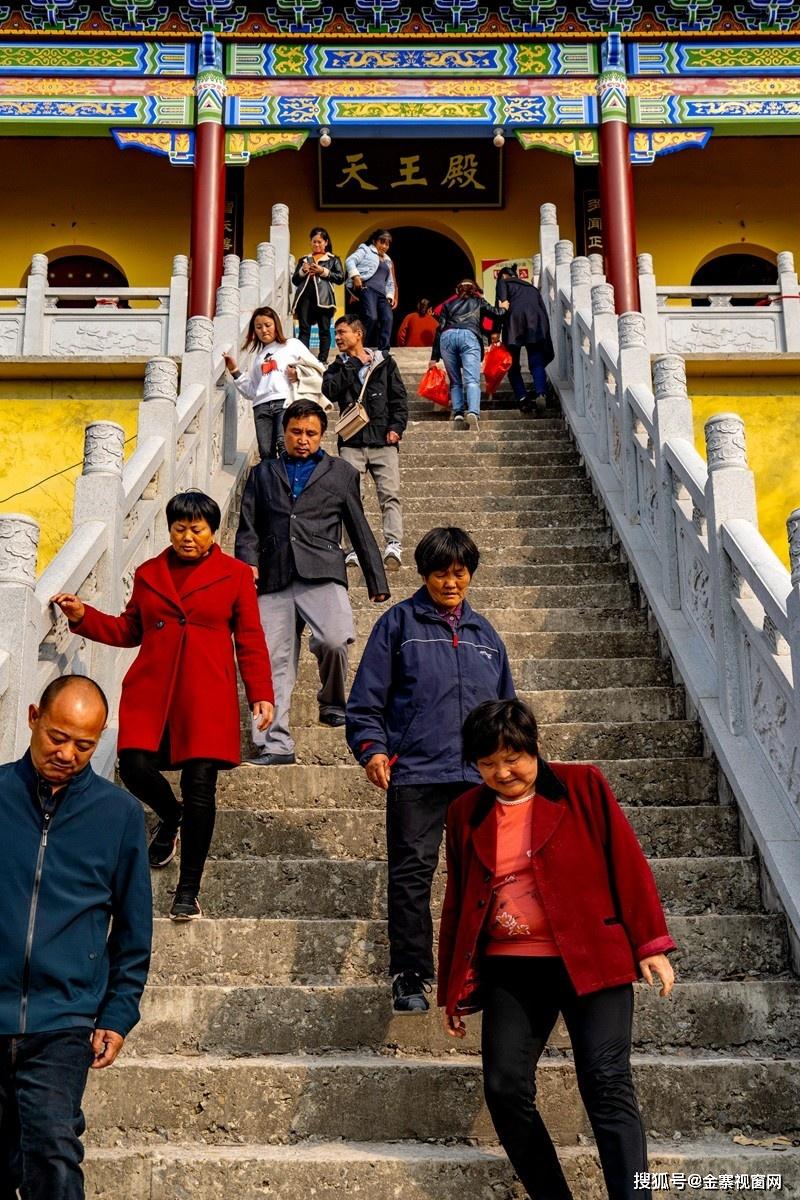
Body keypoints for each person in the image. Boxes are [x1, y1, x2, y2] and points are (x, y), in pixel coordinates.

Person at [440, 698, 677, 1200]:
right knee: (505, 1090)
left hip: (592, 957)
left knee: (607, 1084)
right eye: (487, 764)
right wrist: (453, 985)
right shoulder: (465, 812)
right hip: (512, 970)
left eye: (512, 758)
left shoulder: (583, 785)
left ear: (535, 748)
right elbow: (458, 899)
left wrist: (649, 942)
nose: (502, 772)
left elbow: (627, 863)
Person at [52, 491, 274, 922]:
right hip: (152, 692)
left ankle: (188, 890)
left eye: (197, 529)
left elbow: (249, 638)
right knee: (133, 765)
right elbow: (129, 629)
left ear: (212, 532)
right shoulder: (150, 572)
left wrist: (260, 692)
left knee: (201, 787)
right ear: (169, 528)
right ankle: (171, 817)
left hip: (206, 695)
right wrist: (83, 615)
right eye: (179, 528)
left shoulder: (234, 575)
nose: (187, 537)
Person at [345, 527, 515, 1014]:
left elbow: (509, 712)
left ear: (470, 575)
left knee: (483, 878)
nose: (450, 581)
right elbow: (366, 700)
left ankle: (476, 974)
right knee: (412, 876)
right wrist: (373, 749)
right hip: (416, 772)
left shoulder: (486, 637)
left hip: (479, 778)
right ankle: (409, 975)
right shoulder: (398, 625)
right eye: (440, 573)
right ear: (424, 574)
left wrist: (516, 767)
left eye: (459, 573)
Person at [0, 675, 152, 1199]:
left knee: (53, 1151)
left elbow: (133, 932)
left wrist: (117, 1012)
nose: (67, 753)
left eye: (84, 745)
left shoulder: (121, 816)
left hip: (63, 1019)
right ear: (33, 716)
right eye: (57, 737)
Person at [235, 399, 389, 767]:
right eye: (296, 432)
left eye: (311, 433)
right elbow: (248, 529)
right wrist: (246, 567)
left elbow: (359, 528)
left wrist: (375, 578)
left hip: (322, 570)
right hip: (273, 577)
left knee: (335, 639)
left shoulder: (341, 474)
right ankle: (275, 744)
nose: (302, 439)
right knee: (271, 664)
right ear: (284, 432)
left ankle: (333, 702)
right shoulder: (262, 473)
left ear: (322, 436)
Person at [322, 314, 408, 572]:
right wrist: (352, 365)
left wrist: (396, 428)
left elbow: (399, 399)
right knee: (351, 497)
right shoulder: (337, 366)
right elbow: (330, 391)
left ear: (358, 334)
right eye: (335, 333)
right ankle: (354, 549)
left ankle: (393, 543)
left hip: (383, 440)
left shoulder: (385, 363)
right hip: (352, 441)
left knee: (389, 494)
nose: (337, 337)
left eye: (342, 332)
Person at [224, 306, 326, 462]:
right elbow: (252, 391)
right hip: (261, 407)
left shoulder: (292, 344)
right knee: (265, 452)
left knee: (284, 445)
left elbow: (317, 367)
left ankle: (289, 483)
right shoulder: (257, 357)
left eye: (267, 325)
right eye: (258, 327)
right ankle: (272, 485)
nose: (264, 330)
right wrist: (235, 371)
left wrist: (298, 373)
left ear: (276, 325)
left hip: (285, 402)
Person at [430, 279, 508, 431]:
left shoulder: (448, 304)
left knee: (455, 380)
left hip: (447, 336)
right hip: (468, 335)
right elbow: (497, 314)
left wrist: (434, 357)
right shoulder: (478, 300)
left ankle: (458, 412)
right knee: (471, 380)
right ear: (475, 290)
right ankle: (472, 411)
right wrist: (504, 308)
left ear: (457, 291)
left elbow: (440, 329)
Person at [495, 264, 555, 415]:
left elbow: (503, 307)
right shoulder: (531, 287)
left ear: (503, 276)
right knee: (536, 361)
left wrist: (495, 332)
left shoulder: (503, 283)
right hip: (535, 323)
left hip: (514, 323)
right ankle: (541, 393)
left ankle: (523, 398)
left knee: (513, 365)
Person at [292, 226, 345, 364]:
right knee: (304, 330)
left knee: (324, 330)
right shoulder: (304, 259)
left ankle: (322, 360)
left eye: (320, 242)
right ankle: (302, 359)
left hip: (324, 298)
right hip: (305, 297)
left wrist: (322, 271)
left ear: (326, 242)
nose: (316, 244)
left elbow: (340, 278)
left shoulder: (333, 259)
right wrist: (303, 272)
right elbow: (295, 281)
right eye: (314, 241)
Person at [345, 229, 397, 351]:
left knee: (387, 318)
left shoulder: (388, 260)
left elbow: (390, 281)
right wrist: (355, 276)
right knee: (371, 317)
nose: (384, 246)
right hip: (367, 289)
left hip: (382, 294)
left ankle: (384, 350)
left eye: (387, 244)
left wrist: (390, 296)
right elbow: (350, 260)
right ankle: (360, 347)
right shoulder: (365, 249)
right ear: (374, 241)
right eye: (382, 242)